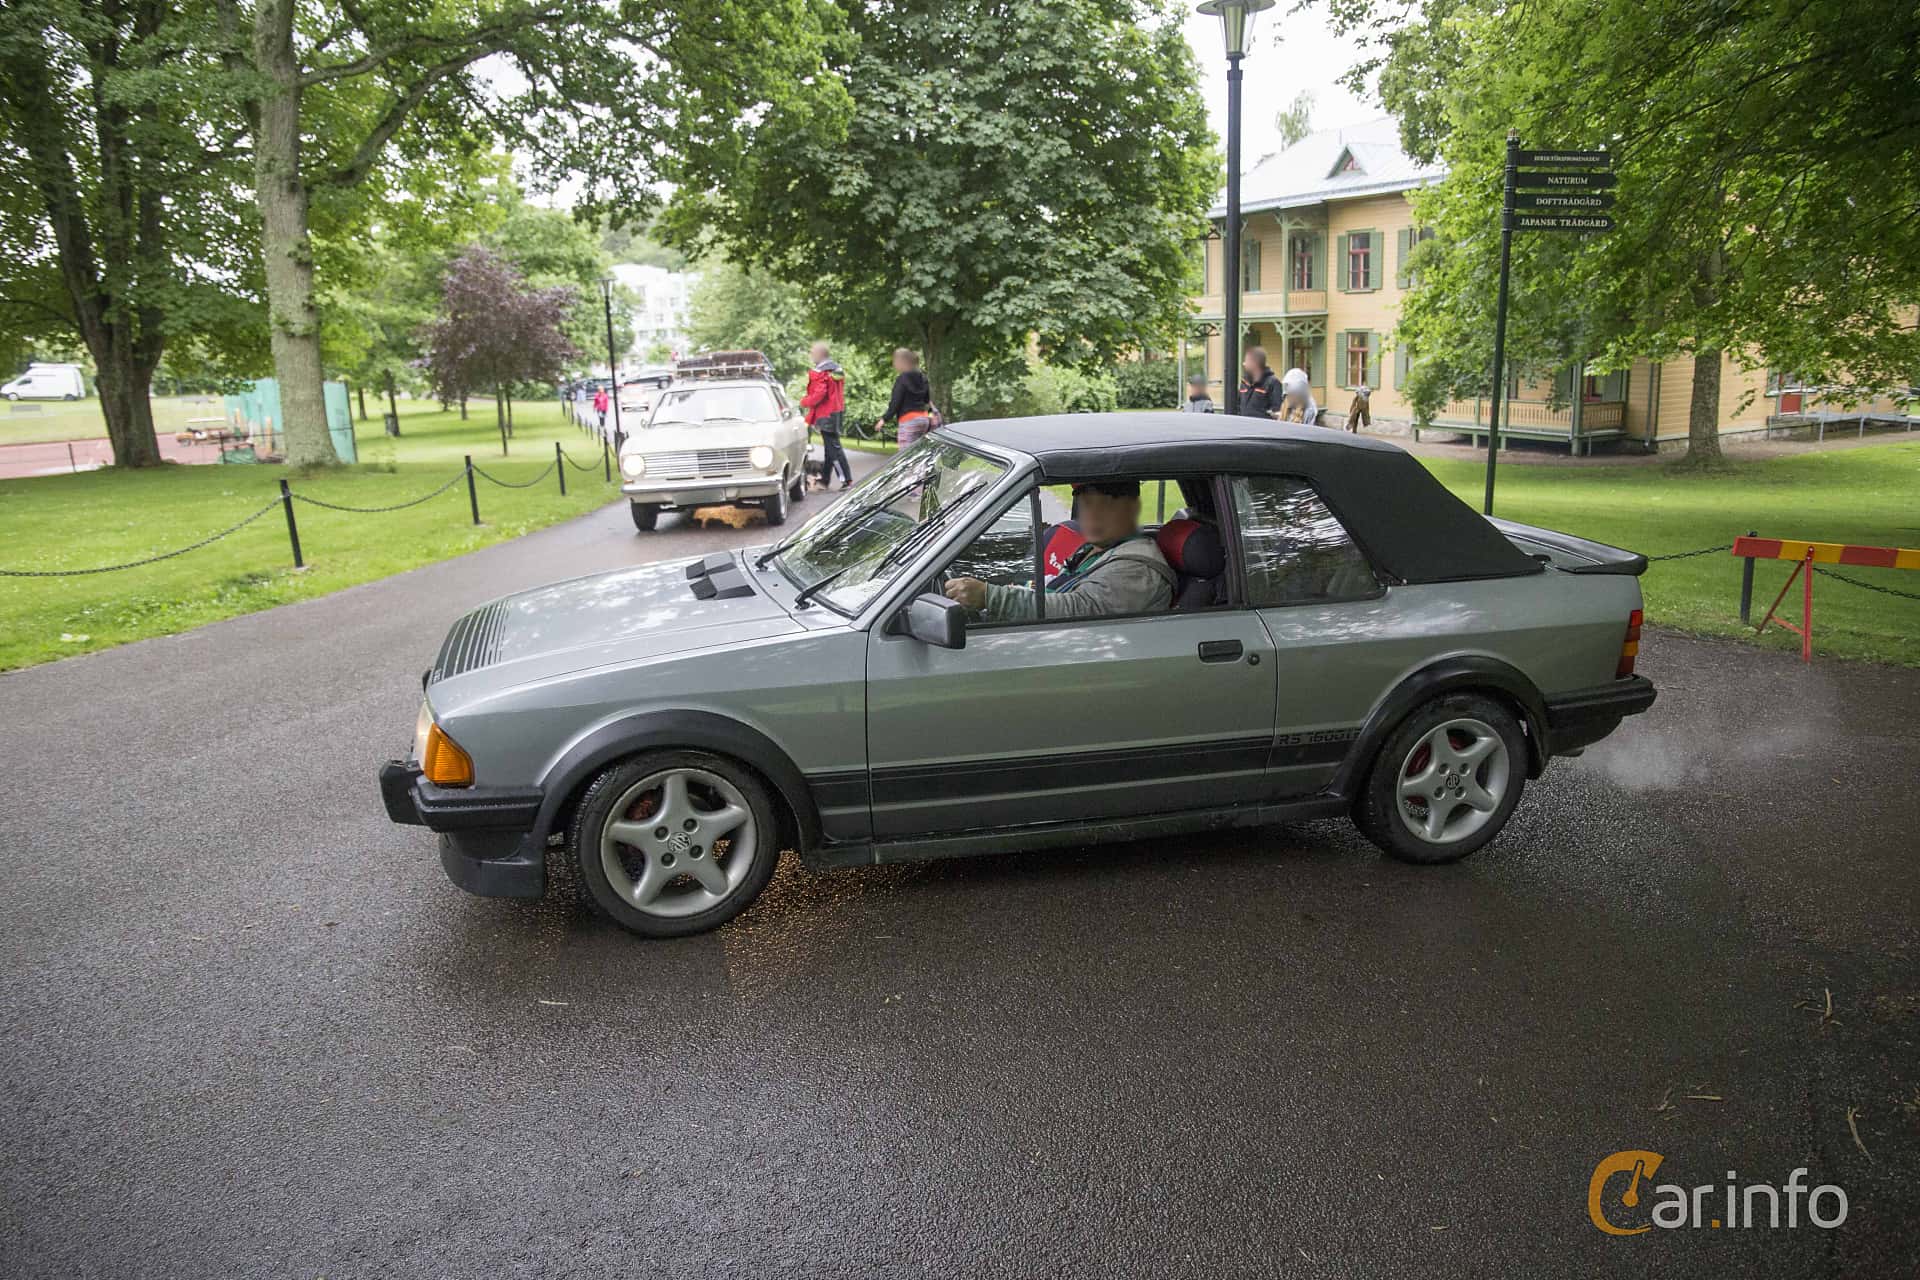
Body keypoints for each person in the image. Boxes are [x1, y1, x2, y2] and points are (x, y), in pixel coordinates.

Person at [943, 480, 1174, 621]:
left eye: (1105, 504)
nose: (1091, 514)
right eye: (1086, 503)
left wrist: (991, 597)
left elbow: (1077, 609)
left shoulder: (1137, 569)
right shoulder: (1101, 548)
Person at [801, 342, 852, 488]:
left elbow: (819, 394)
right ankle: (825, 479)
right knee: (830, 448)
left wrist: (805, 401)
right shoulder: (836, 370)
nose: (811, 355)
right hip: (836, 412)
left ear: (819, 354)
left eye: (812, 353)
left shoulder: (820, 372)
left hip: (825, 414)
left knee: (834, 449)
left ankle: (846, 480)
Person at [876, 348, 934, 448]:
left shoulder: (902, 379)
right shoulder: (923, 378)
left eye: (894, 361)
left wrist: (884, 420)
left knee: (905, 456)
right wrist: (931, 418)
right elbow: (927, 401)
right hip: (923, 420)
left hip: (908, 420)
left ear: (902, 362)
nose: (894, 364)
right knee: (918, 454)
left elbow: (895, 402)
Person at [1238, 347, 1284, 418]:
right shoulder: (1244, 383)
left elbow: (1277, 412)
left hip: (1263, 428)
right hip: (1243, 427)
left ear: (1254, 363)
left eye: (1247, 361)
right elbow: (1238, 407)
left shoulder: (1273, 383)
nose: (1244, 364)